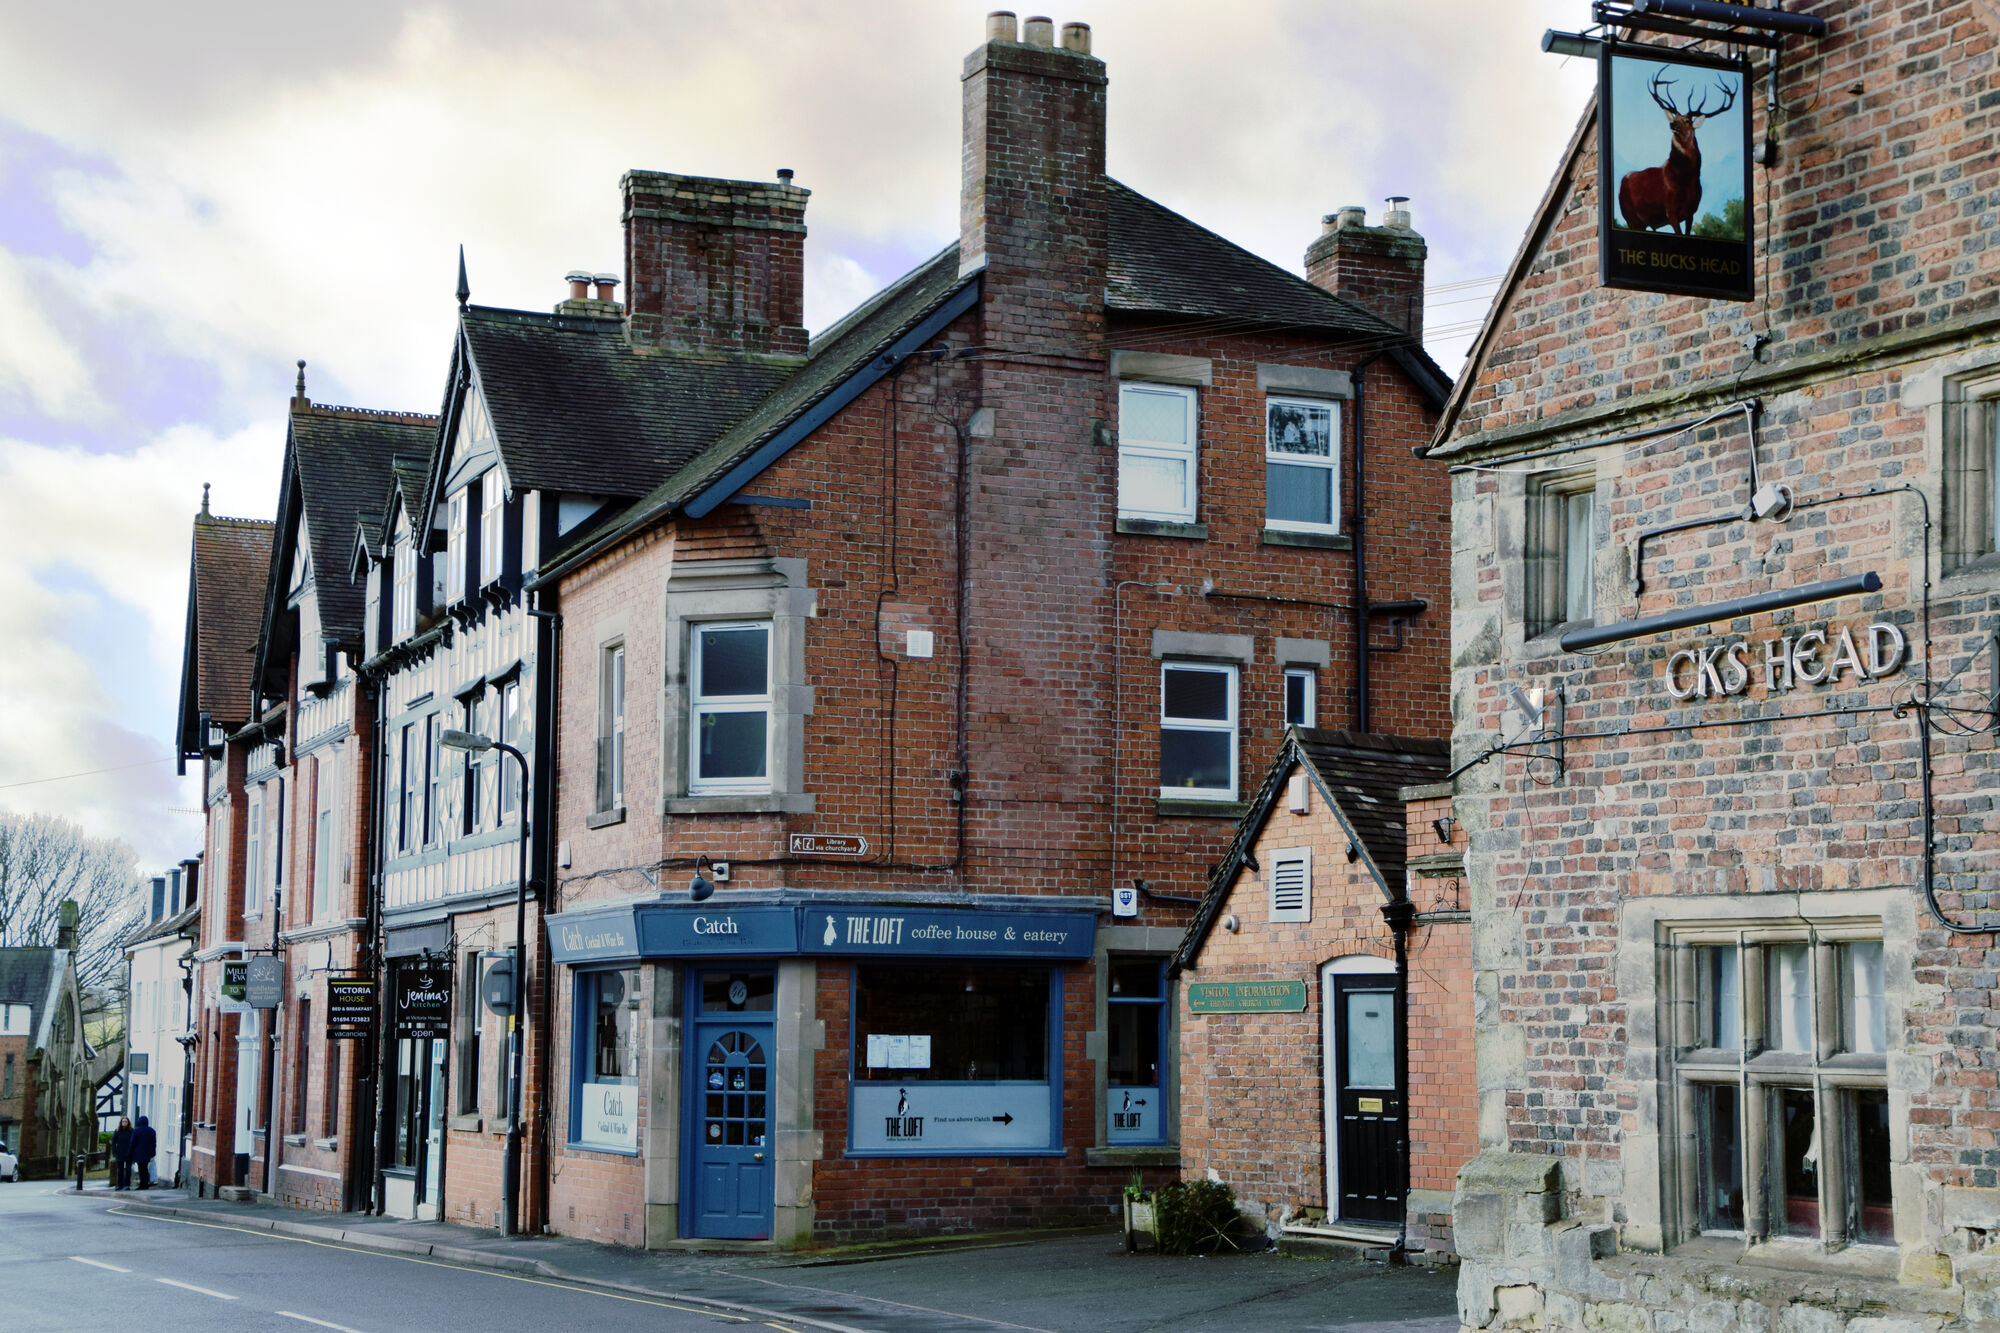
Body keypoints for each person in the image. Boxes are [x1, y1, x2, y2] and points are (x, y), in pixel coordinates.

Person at [130, 1115, 157, 1191]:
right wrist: (153, 1152)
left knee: (141, 1168)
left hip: (138, 1152)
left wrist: (131, 1152)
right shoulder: (152, 1131)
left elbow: (132, 1143)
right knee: (145, 1168)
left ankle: (143, 1184)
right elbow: (154, 1143)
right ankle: (146, 1183)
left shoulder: (136, 1131)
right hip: (148, 1152)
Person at [110, 1116, 133, 1191]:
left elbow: (134, 1142)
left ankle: (127, 1185)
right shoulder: (117, 1131)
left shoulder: (131, 1131)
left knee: (128, 1170)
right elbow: (113, 1142)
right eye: (123, 1121)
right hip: (120, 1152)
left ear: (128, 1123)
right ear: (121, 1123)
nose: (124, 1123)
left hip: (129, 1153)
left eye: (126, 1121)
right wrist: (114, 1152)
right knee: (120, 1170)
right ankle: (119, 1185)